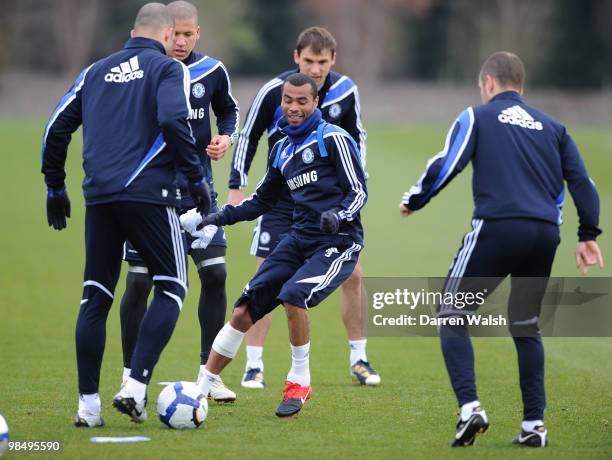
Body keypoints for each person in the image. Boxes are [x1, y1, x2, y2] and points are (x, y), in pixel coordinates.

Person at [399, 51, 604, 447]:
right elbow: (584, 184)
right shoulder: (554, 127)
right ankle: (534, 427)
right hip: (545, 234)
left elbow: (449, 162)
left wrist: (416, 198)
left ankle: (470, 408)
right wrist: (588, 235)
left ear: (488, 83)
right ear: (521, 87)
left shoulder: (478, 116)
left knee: (452, 311)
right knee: (526, 324)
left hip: (498, 226)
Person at [41, 3, 212, 426]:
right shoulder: (170, 69)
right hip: (149, 195)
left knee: (95, 295)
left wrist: (54, 184)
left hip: (99, 197)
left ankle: (88, 408)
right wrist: (197, 181)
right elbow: (174, 121)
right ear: (170, 34)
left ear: (133, 31)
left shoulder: (94, 71)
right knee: (172, 286)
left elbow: (55, 128)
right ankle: (135, 388)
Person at [184, 73, 368, 417]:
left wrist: (339, 216)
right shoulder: (283, 147)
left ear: (315, 104)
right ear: (281, 101)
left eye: (302, 101)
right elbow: (261, 201)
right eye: (288, 100)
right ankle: (201, 388)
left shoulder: (334, 139)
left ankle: (299, 380)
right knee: (242, 312)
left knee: (293, 294)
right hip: (297, 239)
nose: (294, 107)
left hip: (338, 242)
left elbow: (358, 191)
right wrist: (216, 217)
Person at [227, 26, 380, 389]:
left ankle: (359, 358)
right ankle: (254, 365)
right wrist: (237, 186)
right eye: (309, 60)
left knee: (354, 274)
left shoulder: (345, 91)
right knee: (265, 273)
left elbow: (358, 139)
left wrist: (354, 193)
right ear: (297, 56)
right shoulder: (275, 91)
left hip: (328, 205)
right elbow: (249, 135)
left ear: (333, 60)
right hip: (281, 201)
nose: (315, 68)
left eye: (322, 62)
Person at [118, 0, 239, 403]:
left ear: (198, 33)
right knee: (139, 282)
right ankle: (130, 374)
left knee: (216, 274)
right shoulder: (144, 72)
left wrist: (225, 137)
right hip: (150, 195)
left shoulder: (211, 71)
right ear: (164, 32)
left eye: (190, 34)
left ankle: (209, 373)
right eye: (177, 34)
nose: (183, 41)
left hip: (198, 193)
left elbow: (228, 111)